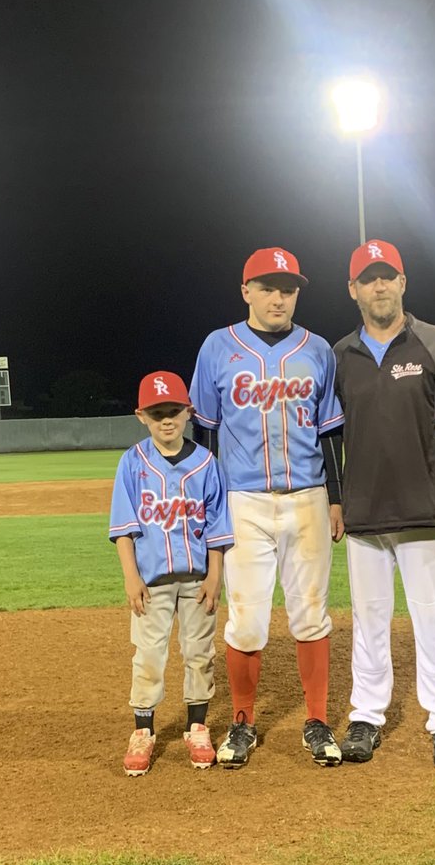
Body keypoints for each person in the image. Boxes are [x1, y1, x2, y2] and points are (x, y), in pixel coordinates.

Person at [189, 247, 346, 768]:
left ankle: (317, 720)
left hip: (309, 497)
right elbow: (205, 433)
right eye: (267, 287)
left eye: (288, 289)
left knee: (311, 614)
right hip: (243, 501)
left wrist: (337, 498)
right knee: (246, 621)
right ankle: (242, 722)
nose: (279, 298)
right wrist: (207, 507)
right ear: (246, 292)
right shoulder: (218, 347)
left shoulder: (317, 349)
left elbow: (330, 431)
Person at [332, 240, 435, 767]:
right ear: (353, 290)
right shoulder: (339, 356)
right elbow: (328, 437)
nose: (378, 286)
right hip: (365, 513)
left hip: (425, 509)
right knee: (368, 619)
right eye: (367, 278)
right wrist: (335, 501)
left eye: (387, 276)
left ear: (402, 282)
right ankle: (366, 715)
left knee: (433, 617)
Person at [109, 371, 233, 777]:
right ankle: (143, 730)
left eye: (174, 411)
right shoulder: (132, 462)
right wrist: (130, 577)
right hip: (151, 581)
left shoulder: (207, 464)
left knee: (200, 653)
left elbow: (217, 526)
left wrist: (215, 575)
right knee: (148, 655)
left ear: (188, 412)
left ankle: (197, 726)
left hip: (198, 579)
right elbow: (124, 528)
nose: (167, 420)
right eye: (157, 412)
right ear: (141, 416)